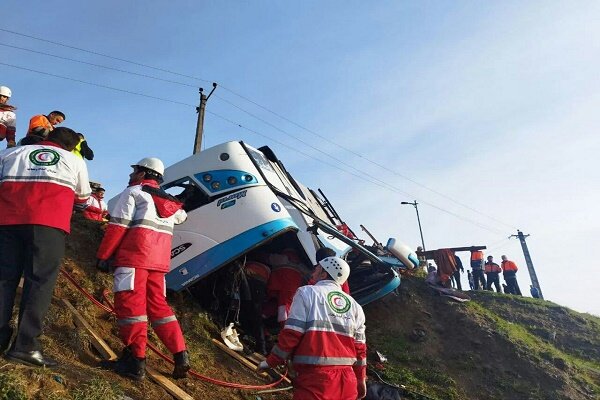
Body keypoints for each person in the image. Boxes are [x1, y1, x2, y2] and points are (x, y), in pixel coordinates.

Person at [0, 127, 90, 367]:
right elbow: (83, 199)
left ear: (48, 139)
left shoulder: (12, 153)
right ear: (70, 146)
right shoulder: (74, 160)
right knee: (38, 283)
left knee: (3, 279)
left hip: (7, 222)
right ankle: (25, 347)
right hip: (48, 225)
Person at [96, 157, 190, 381]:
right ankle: (180, 355)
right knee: (159, 308)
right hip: (158, 263)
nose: (130, 176)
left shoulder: (133, 193)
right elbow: (182, 216)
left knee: (131, 308)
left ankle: (135, 362)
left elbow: (117, 226)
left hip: (134, 258)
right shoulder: (171, 202)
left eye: (134, 171)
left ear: (143, 173)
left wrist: (103, 256)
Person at [258, 256, 367, 400]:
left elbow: (292, 333)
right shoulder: (356, 307)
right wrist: (360, 380)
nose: (312, 273)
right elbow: (360, 350)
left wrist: (271, 361)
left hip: (316, 380)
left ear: (324, 274)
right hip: (347, 382)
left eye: (316, 270)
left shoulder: (306, 293)